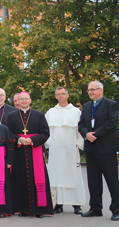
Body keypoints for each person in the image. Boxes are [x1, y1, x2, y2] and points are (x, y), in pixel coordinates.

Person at [79, 80, 119, 220]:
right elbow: (81, 124)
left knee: (112, 180)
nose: (90, 92)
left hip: (106, 148)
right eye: (89, 90)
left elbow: (111, 123)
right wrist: (86, 134)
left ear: (101, 90)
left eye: (93, 89)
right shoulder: (86, 106)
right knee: (93, 181)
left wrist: (95, 134)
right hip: (91, 148)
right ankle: (95, 208)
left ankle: (116, 209)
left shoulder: (111, 105)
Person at [8, 91, 52, 217]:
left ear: (30, 100)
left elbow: (45, 133)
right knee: (20, 179)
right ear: (18, 101)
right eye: (21, 99)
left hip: (35, 150)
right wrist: (19, 139)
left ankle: (39, 209)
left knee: (36, 179)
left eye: (26, 99)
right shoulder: (11, 116)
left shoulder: (39, 115)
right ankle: (23, 209)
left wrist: (32, 140)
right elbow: (8, 132)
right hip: (19, 152)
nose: (24, 101)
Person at [45, 86, 85, 214]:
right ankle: (58, 203)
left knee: (75, 176)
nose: (61, 96)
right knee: (56, 176)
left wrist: (78, 144)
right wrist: (49, 144)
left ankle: (76, 204)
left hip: (71, 149)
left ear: (67, 95)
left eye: (63, 94)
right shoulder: (50, 112)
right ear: (55, 96)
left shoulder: (76, 112)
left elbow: (81, 130)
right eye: (58, 94)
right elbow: (45, 131)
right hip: (55, 150)